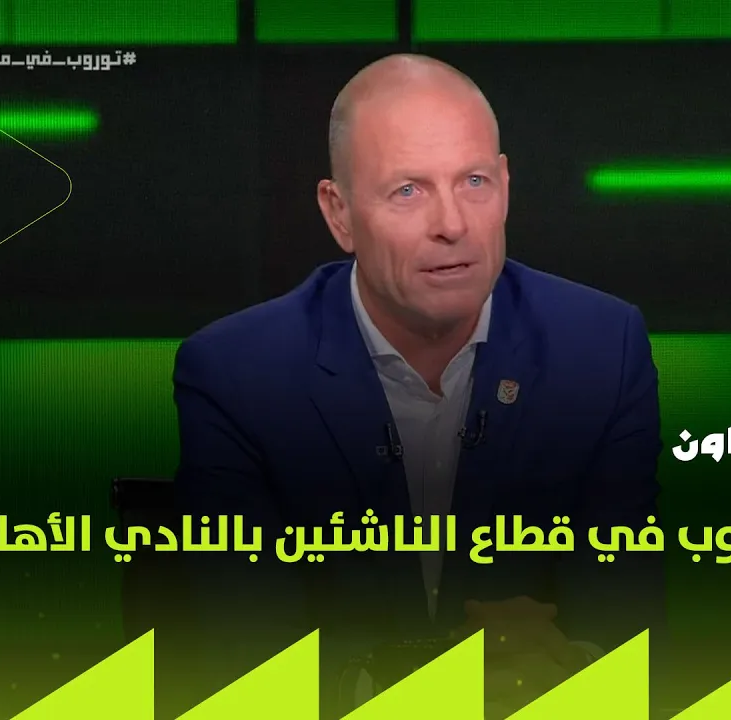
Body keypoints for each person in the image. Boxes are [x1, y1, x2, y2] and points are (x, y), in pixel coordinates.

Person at [173, 54, 665, 718]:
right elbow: (241, 656)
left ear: (506, 187)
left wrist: (564, 668)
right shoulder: (238, 375)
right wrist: (424, 681)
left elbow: (631, 625)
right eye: (408, 190)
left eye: (473, 182)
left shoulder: (602, 350)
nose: (452, 224)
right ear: (340, 214)